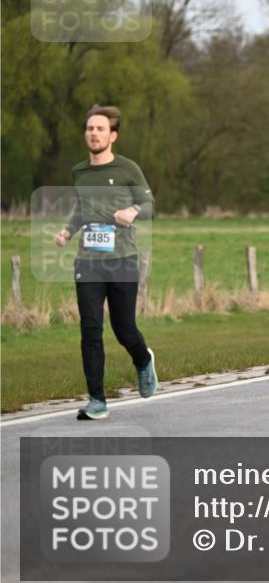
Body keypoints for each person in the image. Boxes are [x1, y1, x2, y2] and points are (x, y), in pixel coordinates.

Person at [54, 105, 158, 420]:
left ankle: (142, 361)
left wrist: (133, 212)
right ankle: (97, 401)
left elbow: (149, 203)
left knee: (124, 328)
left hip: (123, 259)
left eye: (100, 129)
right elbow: (82, 210)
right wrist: (69, 231)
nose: (93, 133)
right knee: (90, 329)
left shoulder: (128, 169)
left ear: (113, 135)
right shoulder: (79, 172)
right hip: (88, 261)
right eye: (89, 128)